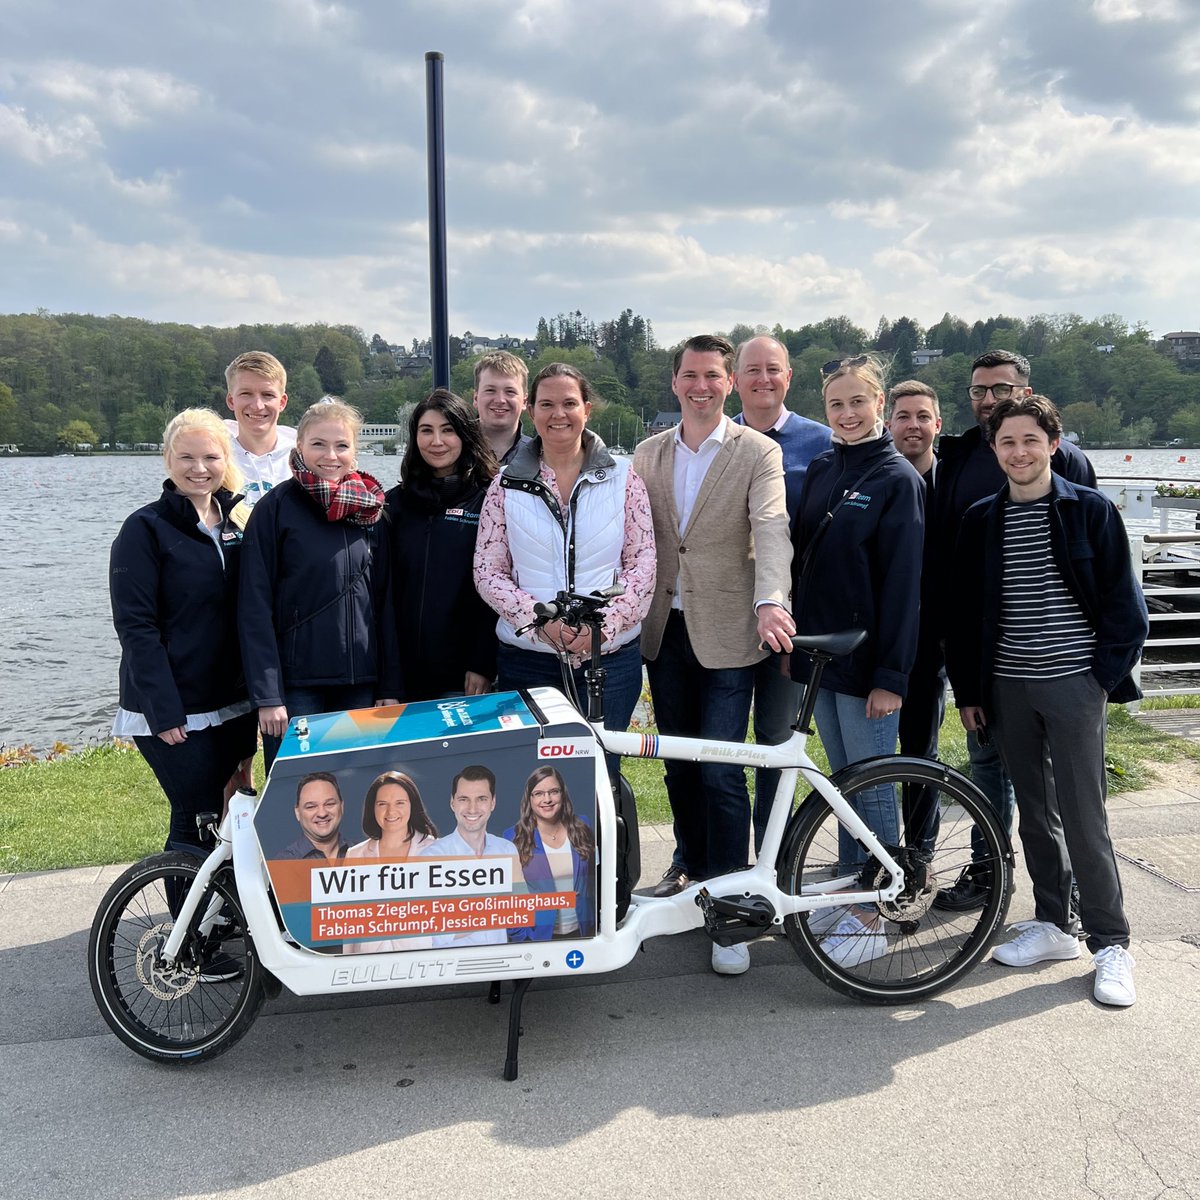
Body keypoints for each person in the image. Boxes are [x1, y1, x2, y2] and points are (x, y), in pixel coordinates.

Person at [945, 394, 1147, 1006]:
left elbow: (1124, 607)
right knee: (1035, 812)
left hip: (1073, 685)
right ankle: (1055, 924)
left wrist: (1099, 680)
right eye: (1007, 442)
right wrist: (972, 693)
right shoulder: (981, 519)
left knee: (1085, 815)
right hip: (1008, 687)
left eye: (1031, 440)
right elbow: (965, 616)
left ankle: (1111, 942)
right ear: (994, 449)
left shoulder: (1089, 512)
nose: (1019, 451)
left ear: (1053, 444)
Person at [634, 333, 793, 977]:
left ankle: (733, 903)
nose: (700, 386)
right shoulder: (647, 454)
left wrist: (772, 599)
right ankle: (694, 873)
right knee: (675, 762)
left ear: (728, 384)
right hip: (662, 631)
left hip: (730, 631)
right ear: (674, 382)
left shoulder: (759, 451)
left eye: (712, 376)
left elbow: (772, 527)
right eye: (689, 375)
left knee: (723, 765)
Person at [933, 349, 1097, 910]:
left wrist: (1101, 670)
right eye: (978, 390)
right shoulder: (956, 455)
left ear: (1026, 394)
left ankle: (1069, 904)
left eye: (1000, 389)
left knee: (1059, 794)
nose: (987, 400)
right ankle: (988, 873)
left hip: (1062, 664)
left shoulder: (1068, 460)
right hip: (988, 656)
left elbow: (1094, 564)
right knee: (987, 772)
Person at [790, 353, 923, 968]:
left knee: (871, 786)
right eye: (836, 404)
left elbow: (903, 586)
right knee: (842, 785)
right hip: (824, 657)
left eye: (858, 402)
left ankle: (880, 907)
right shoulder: (821, 467)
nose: (846, 413)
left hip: (870, 661)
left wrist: (892, 677)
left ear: (878, 405)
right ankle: (850, 886)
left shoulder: (897, 479)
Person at [475, 362, 655, 778]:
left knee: (600, 779)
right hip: (529, 660)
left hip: (609, 660)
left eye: (570, 403)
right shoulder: (504, 485)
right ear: (532, 411)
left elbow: (643, 562)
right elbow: (488, 569)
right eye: (547, 404)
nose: (559, 414)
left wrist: (602, 627)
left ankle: (609, 846)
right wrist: (540, 623)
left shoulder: (624, 478)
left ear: (587, 410)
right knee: (534, 784)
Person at [110, 408, 258, 861]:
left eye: (210, 456)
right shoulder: (145, 529)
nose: (199, 468)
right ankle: (186, 929)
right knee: (194, 813)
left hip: (232, 700)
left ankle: (224, 911)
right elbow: (135, 626)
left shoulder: (239, 521)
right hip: (175, 706)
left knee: (233, 809)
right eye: (186, 457)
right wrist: (163, 709)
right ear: (167, 459)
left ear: (225, 457)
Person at [239, 398, 401, 774]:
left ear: (354, 451)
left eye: (342, 445)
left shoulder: (370, 510)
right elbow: (254, 606)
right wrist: (267, 696)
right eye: (318, 444)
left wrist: (389, 685)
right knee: (299, 791)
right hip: (297, 687)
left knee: (362, 789)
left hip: (361, 682)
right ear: (299, 448)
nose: (331, 455)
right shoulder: (274, 509)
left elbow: (384, 603)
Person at [732, 334, 832, 852]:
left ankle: (771, 859)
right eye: (752, 369)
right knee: (716, 749)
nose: (763, 379)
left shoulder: (821, 443)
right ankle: (701, 859)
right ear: (735, 379)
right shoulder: (717, 441)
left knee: (777, 743)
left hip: (789, 622)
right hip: (723, 617)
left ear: (788, 378)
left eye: (773, 369)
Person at [386, 390, 499, 700]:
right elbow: (383, 595)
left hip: (464, 675)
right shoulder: (393, 504)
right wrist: (387, 676)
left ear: (465, 434)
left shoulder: (490, 500)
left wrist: (482, 662)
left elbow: (497, 587)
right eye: (427, 430)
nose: (437, 441)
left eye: (447, 430)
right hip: (403, 675)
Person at [887, 381, 946, 770]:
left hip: (933, 640)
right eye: (903, 416)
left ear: (937, 424)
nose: (913, 425)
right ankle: (875, 833)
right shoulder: (877, 483)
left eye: (923, 416)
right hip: (879, 637)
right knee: (870, 754)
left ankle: (923, 835)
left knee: (921, 752)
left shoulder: (955, 485)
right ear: (887, 424)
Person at [419, 765, 525, 948]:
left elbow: (522, 909)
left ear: (493, 802)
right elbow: (434, 929)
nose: (472, 808)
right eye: (463, 799)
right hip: (450, 969)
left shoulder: (507, 849)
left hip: (500, 965)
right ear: (452, 803)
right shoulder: (431, 858)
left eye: (481, 799)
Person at [343, 770, 439, 954]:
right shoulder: (355, 855)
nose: (391, 811)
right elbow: (350, 921)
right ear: (373, 808)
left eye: (400, 803)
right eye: (382, 804)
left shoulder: (437, 851)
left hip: (424, 962)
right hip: (370, 962)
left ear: (412, 806)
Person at [503, 765, 595, 941]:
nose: (547, 799)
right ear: (529, 799)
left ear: (563, 794)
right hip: (540, 936)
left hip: (583, 930)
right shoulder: (513, 838)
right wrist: (520, 936)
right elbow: (508, 896)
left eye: (554, 791)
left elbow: (593, 878)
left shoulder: (583, 826)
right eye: (538, 793)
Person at [223, 351, 296, 509]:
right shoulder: (214, 457)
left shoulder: (304, 459)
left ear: (282, 402)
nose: (257, 406)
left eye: (267, 395)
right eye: (246, 394)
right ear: (231, 400)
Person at [472, 350, 532, 465]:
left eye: (510, 391)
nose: (500, 400)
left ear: (524, 401)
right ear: (475, 398)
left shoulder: (540, 458)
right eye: (490, 390)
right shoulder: (452, 452)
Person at [278, 772, 350, 860]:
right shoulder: (283, 863)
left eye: (329, 804)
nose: (322, 813)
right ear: (297, 813)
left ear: (342, 807)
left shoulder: (365, 854)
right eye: (311, 807)